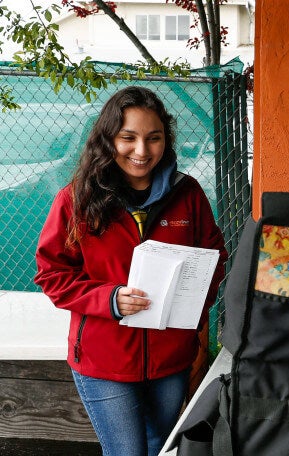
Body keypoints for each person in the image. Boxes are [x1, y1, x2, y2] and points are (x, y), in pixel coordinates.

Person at [34, 86, 227, 456]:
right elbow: (52, 274)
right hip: (104, 360)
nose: (142, 151)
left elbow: (214, 255)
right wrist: (110, 299)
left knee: (159, 448)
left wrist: (195, 301)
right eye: (128, 138)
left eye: (153, 138)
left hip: (171, 358)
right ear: (108, 139)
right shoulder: (76, 199)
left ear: (165, 140)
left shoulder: (188, 193)